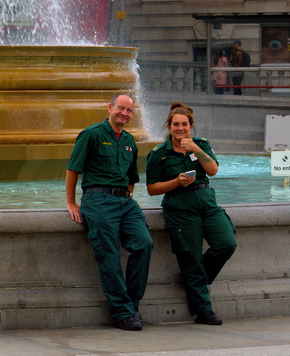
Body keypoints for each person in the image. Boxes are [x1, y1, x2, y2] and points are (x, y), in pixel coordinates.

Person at [66, 94, 153, 331]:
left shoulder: (129, 141)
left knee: (144, 243)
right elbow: (73, 169)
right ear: (110, 108)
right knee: (110, 255)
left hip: (125, 201)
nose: (124, 113)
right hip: (98, 200)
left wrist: (127, 199)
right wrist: (72, 202)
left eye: (128, 111)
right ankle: (122, 312)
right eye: (120, 108)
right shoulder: (92, 134)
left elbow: (132, 178)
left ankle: (132, 304)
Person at [146, 102, 236, 326]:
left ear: (190, 126)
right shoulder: (159, 154)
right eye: (176, 124)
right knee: (191, 258)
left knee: (227, 243)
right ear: (169, 126)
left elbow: (213, 170)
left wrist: (196, 149)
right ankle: (204, 312)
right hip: (180, 207)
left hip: (207, 202)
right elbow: (151, 189)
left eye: (184, 124)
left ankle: (193, 279)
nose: (180, 128)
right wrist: (176, 182)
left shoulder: (202, 144)